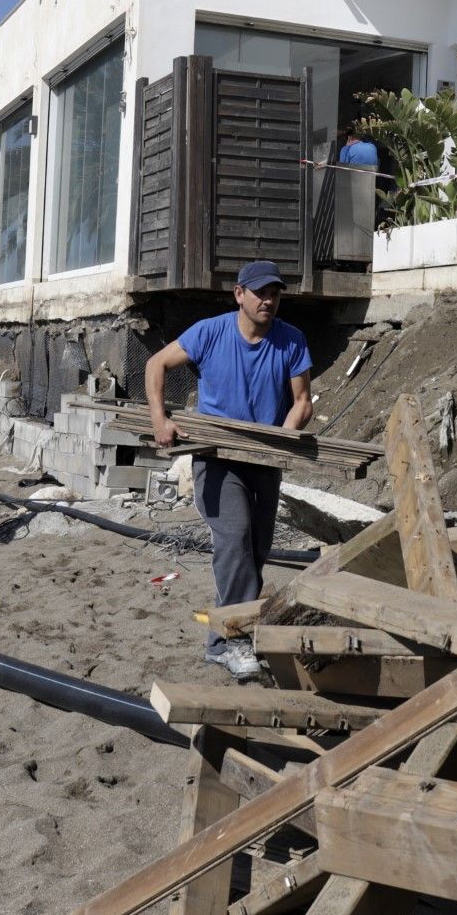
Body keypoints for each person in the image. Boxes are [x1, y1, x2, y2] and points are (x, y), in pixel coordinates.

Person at [144, 260, 313, 680]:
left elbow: (303, 401)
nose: (268, 301)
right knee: (234, 539)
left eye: (274, 293)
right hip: (217, 458)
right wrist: (160, 421)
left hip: (264, 459)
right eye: (259, 293)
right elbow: (156, 365)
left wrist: (284, 437)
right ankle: (234, 641)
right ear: (239, 294)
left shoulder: (291, 341)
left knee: (254, 551)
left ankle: (222, 641)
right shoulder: (210, 333)